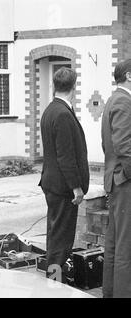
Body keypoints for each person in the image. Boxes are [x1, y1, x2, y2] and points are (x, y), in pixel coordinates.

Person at [39, 67, 89, 281]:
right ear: (74, 86)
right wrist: (76, 187)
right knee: (61, 239)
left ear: (54, 85)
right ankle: (54, 282)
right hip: (62, 187)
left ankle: (53, 279)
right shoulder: (62, 114)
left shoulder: (50, 109)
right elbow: (65, 157)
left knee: (55, 234)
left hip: (53, 182)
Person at [101, 58, 131, 298]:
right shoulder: (124, 101)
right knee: (125, 246)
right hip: (125, 182)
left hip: (116, 180)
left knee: (113, 243)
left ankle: (110, 292)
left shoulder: (113, 100)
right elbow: (124, 147)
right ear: (129, 76)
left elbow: (107, 144)